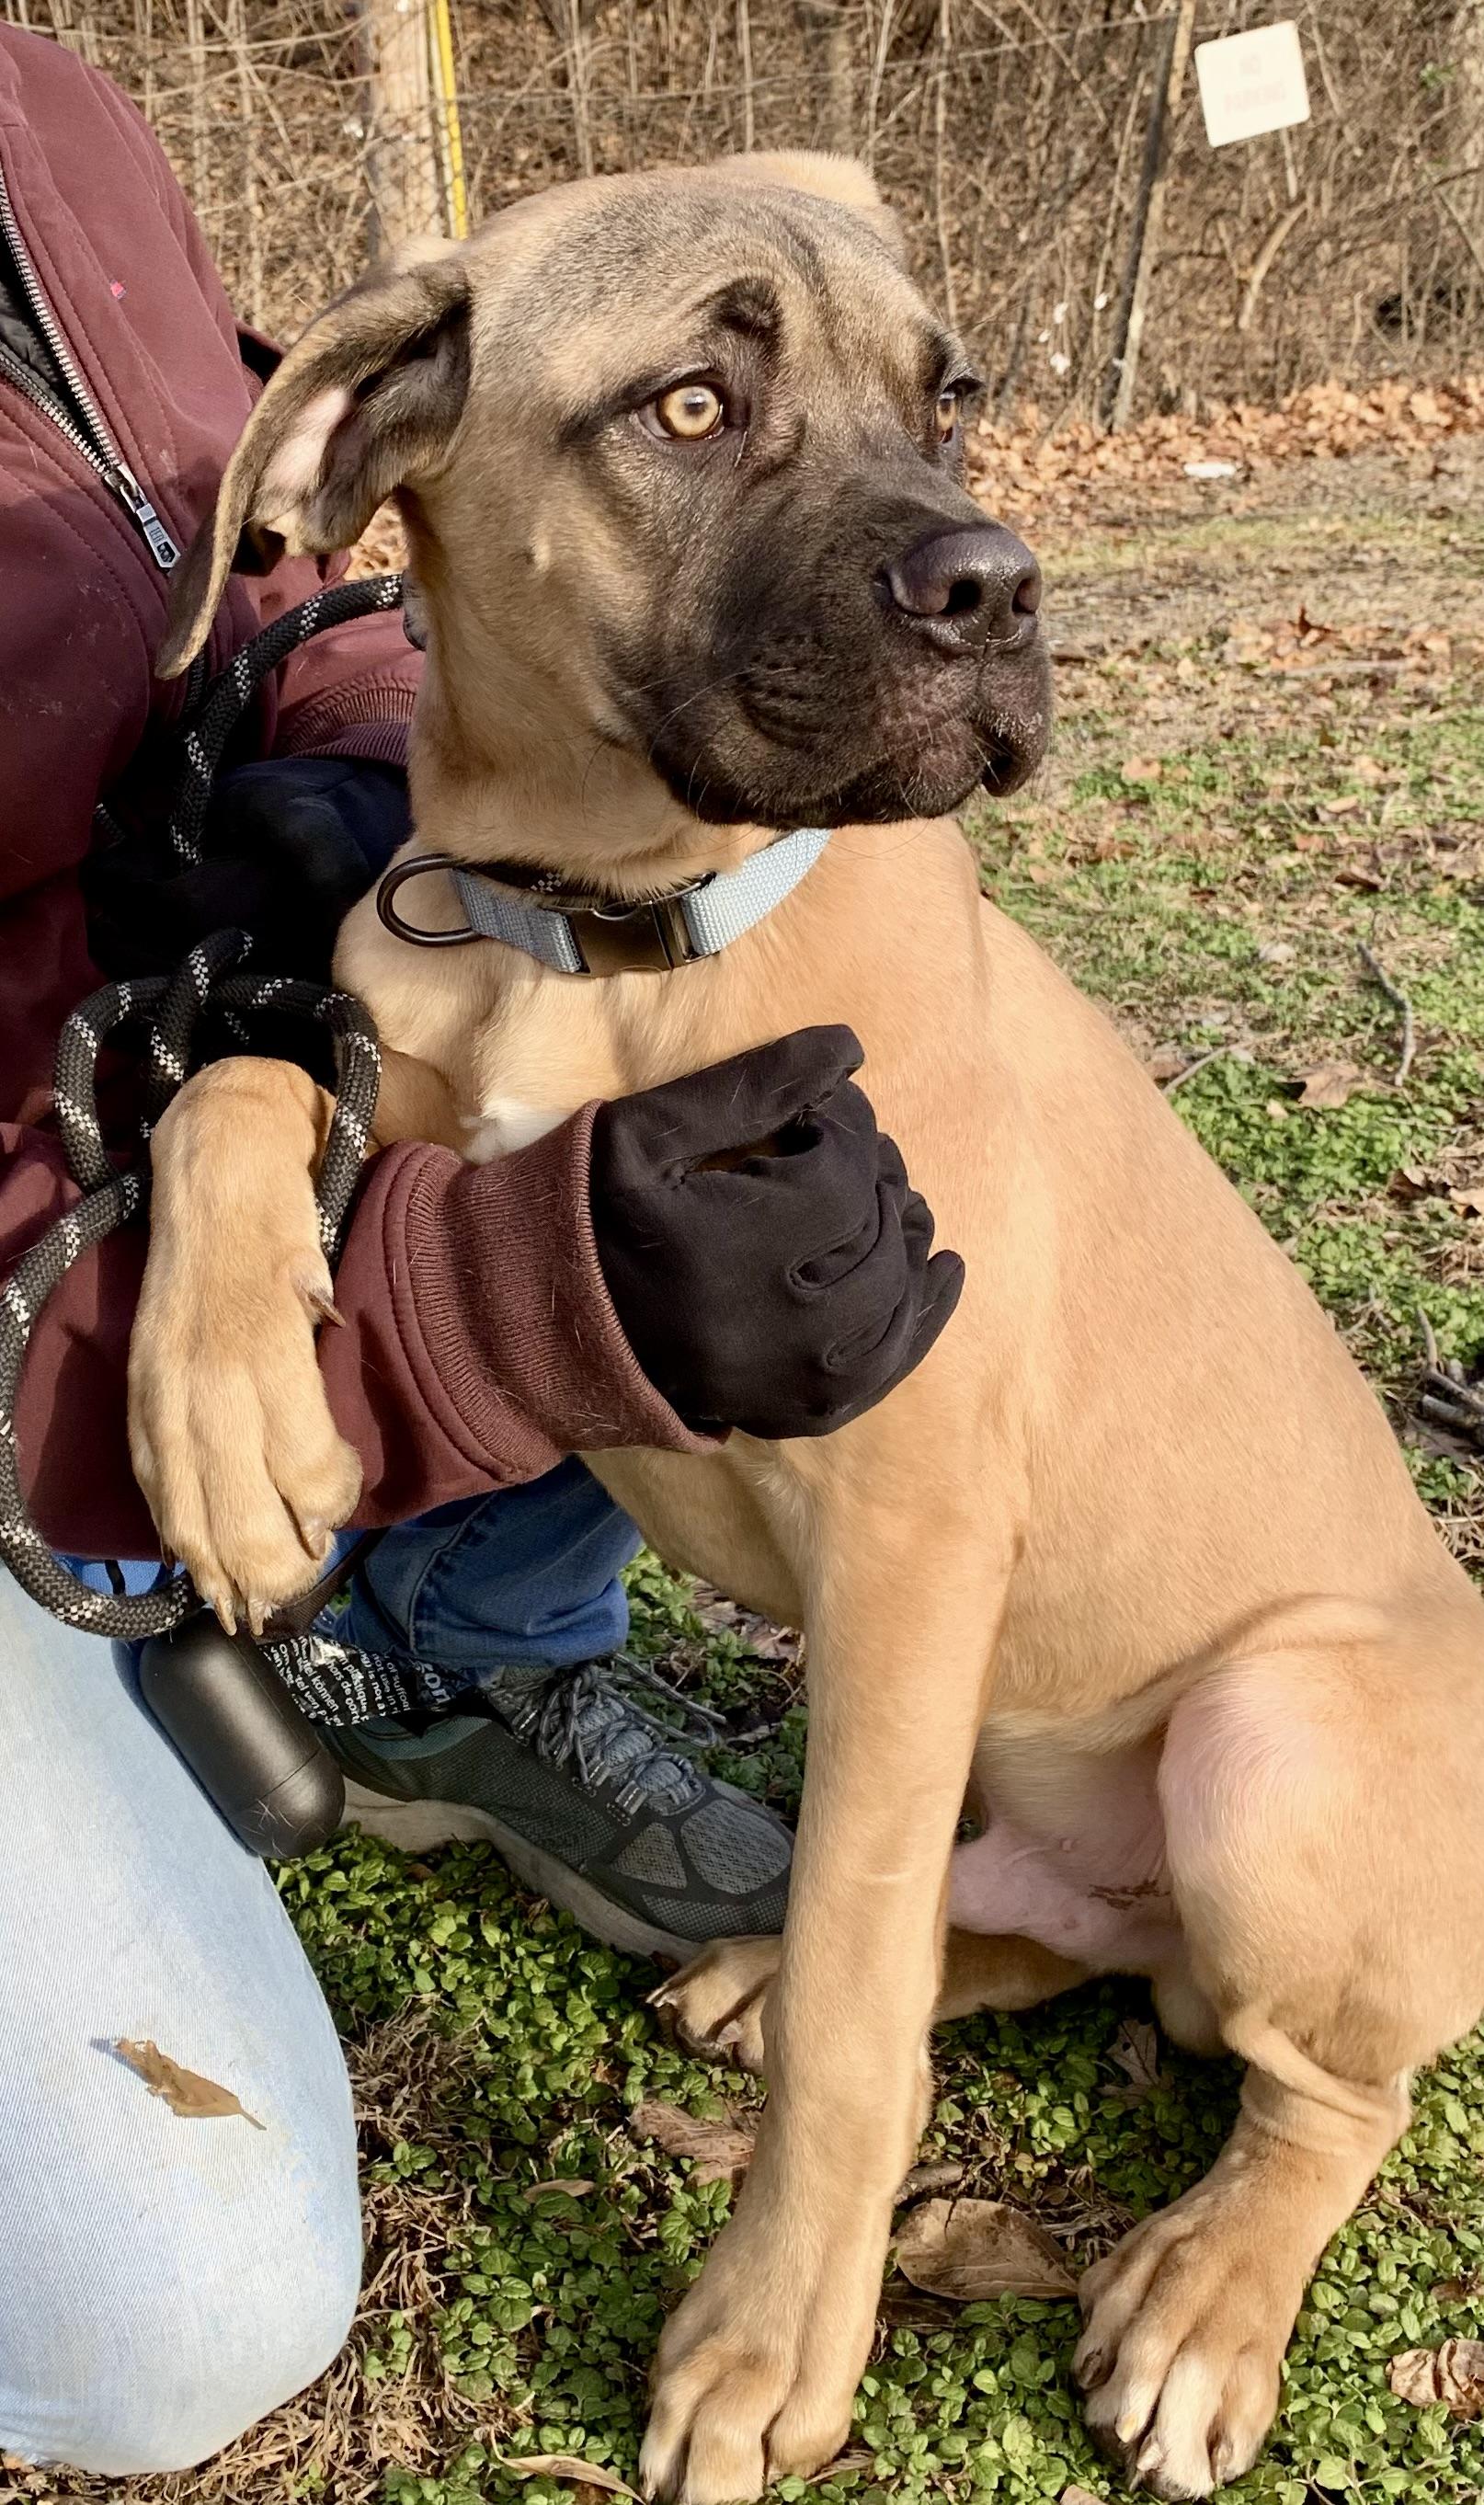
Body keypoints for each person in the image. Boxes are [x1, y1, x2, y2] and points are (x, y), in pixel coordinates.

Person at [0, 25, 962, 2476]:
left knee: (567, 995)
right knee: (185, 2301)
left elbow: (257, 548)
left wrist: (329, 831)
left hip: (143, 1012)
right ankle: (152, 1618)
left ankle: (426, 1657)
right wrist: (490, 1307)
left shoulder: (47, 94)